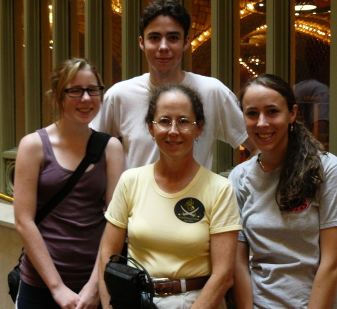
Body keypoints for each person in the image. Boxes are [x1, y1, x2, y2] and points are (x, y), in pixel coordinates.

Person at [98, 84, 242, 309]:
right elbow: (107, 256)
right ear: (151, 128)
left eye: (184, 121)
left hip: (198, 301)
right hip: (138, 301)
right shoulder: (130, 182)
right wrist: (110, 307)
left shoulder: (220, 189)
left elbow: (223, 276)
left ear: (199, 128)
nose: (173, 130)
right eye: (164, 121)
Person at [229, 74, 337, 309]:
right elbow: (238, 262)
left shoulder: (327, 169)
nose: (261, 123)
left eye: (272, 111)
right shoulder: (239, 177)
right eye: (252, 113)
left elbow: (332, 264)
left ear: (292, 113)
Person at [91, 0, 257, 170]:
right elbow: (90, 151)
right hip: (136, 197)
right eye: (154, 37)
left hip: (196, 197)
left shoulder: (212, 91)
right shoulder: (120, 95)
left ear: (186, 42)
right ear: (142, 43)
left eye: (173, 38)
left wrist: (236, 187)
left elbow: (256, 145)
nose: (163, 47)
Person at [14, 58, 125, 309]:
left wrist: (94, 285)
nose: (86, 98)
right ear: (57, 97)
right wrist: (57, 288)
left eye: (92, 89)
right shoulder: (33, 146)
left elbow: (116, 221)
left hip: (93, 280)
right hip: (40, 283)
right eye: (75, 90)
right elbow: (23, 221)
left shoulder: (111, 148)